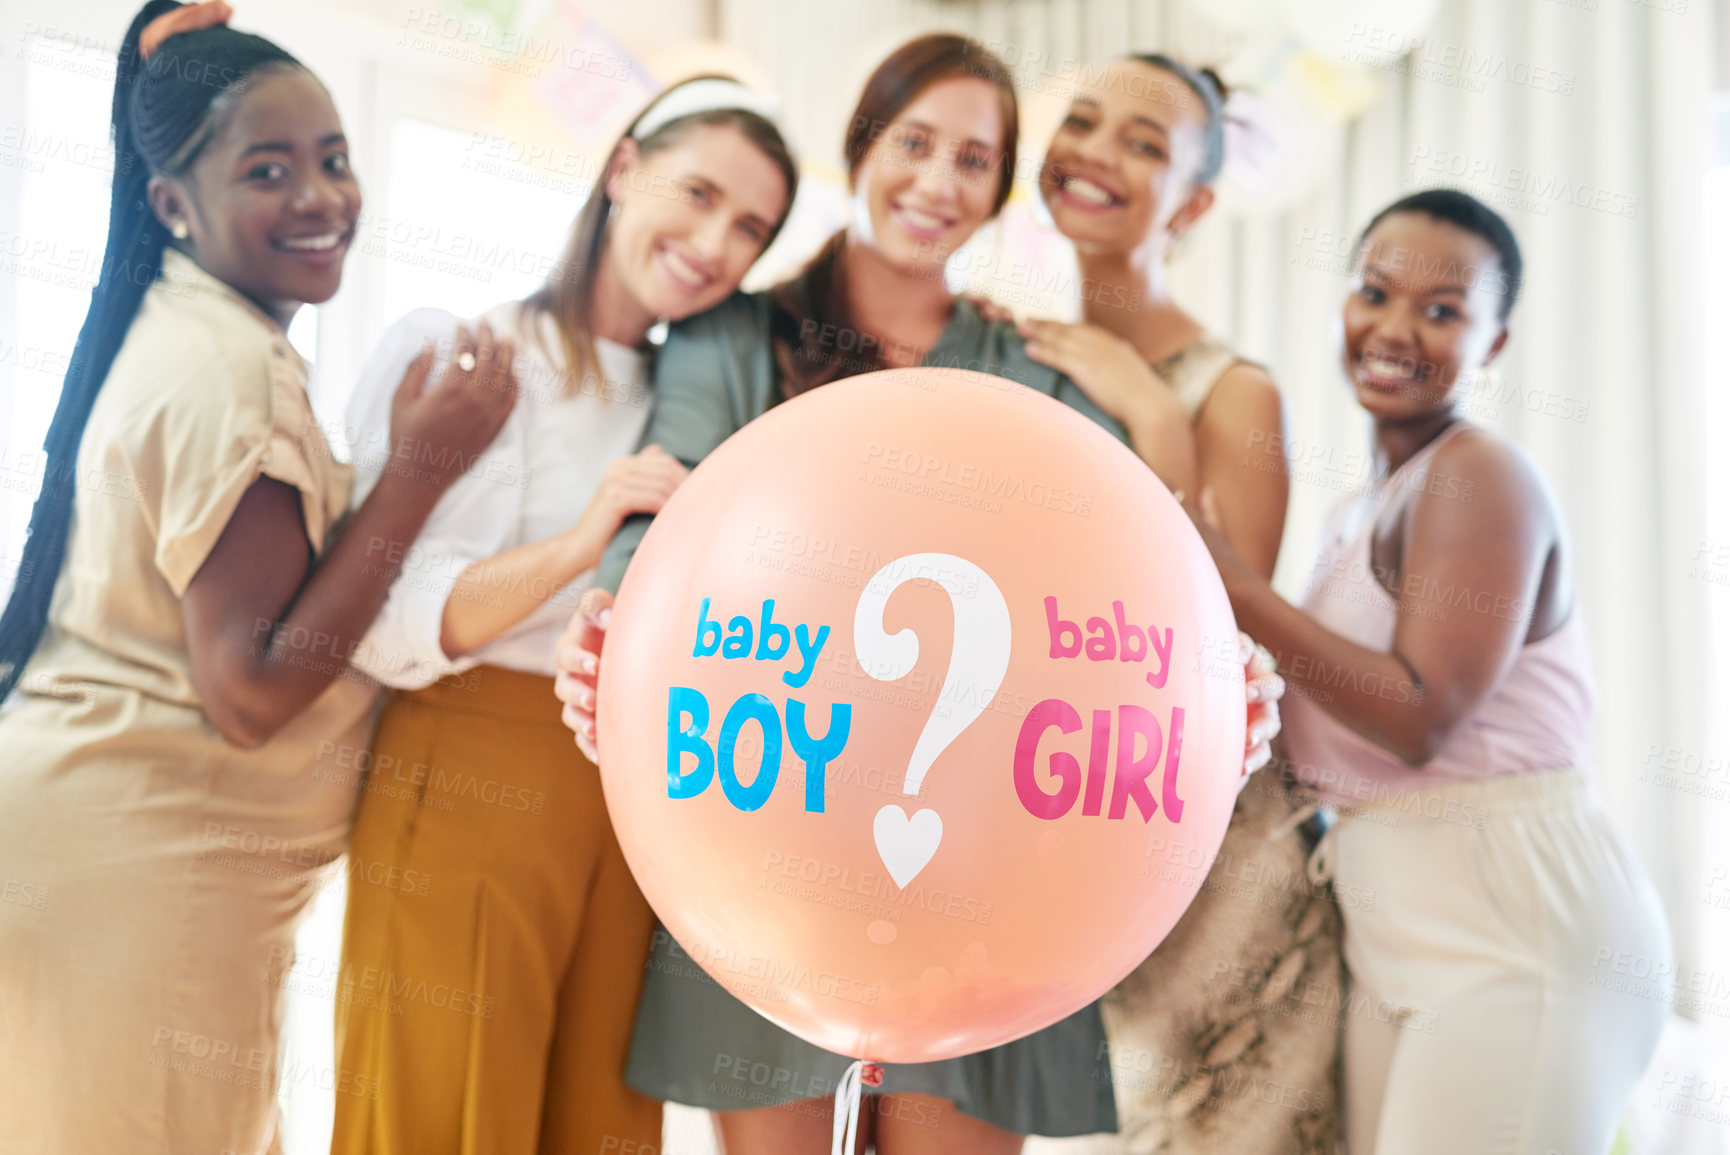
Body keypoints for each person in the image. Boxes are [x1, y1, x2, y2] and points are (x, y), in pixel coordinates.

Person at [553, 34, 1285, 1155]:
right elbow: (659, 528)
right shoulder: (733, 339)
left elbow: (1122, 597)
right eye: (914, 144)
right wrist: (608, 639)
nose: (937, 184)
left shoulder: (1038, 372)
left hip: (986, 881)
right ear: (861, 148)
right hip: (762, 846)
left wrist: (1210, 691)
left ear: (1000, 192)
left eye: (974, 161)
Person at [0, 3, 515, 1152]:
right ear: (172, 205)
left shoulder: (195, 330)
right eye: (269, 170)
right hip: (138, 880)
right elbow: (252, 692)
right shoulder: (229, 368)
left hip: (109, 870)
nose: (322, 198)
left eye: (334, 160)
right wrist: (421, 470)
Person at [328, 78, 797, 1155]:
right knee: (441, 1117)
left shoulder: (702, 392)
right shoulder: (469, 356)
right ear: (623, 168)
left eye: (750, 228)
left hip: (629, 801)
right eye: (696, 192)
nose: (713, 242)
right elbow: (391, 624)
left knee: (600, 1128)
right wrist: (586, 540)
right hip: (467, 769)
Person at [1190, 188, 1671, 1155]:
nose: (1396, 327)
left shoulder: (1479, 474)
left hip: (1514, 925)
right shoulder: (1360, 511)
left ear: (1492, 344)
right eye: (1375, 291)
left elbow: (1419, 716)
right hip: (1400, 923)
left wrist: (1235, 586)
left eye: (1443, 310)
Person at [995, 55, 1341, 1153]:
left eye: (1141, 143)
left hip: (1213, 857)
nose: (1095, 153)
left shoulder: (1231, 389)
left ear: (1192, 203)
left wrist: (1153, 414)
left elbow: (1222, 635)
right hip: (1063, 830)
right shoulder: (1014, 358)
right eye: (1082, 123)